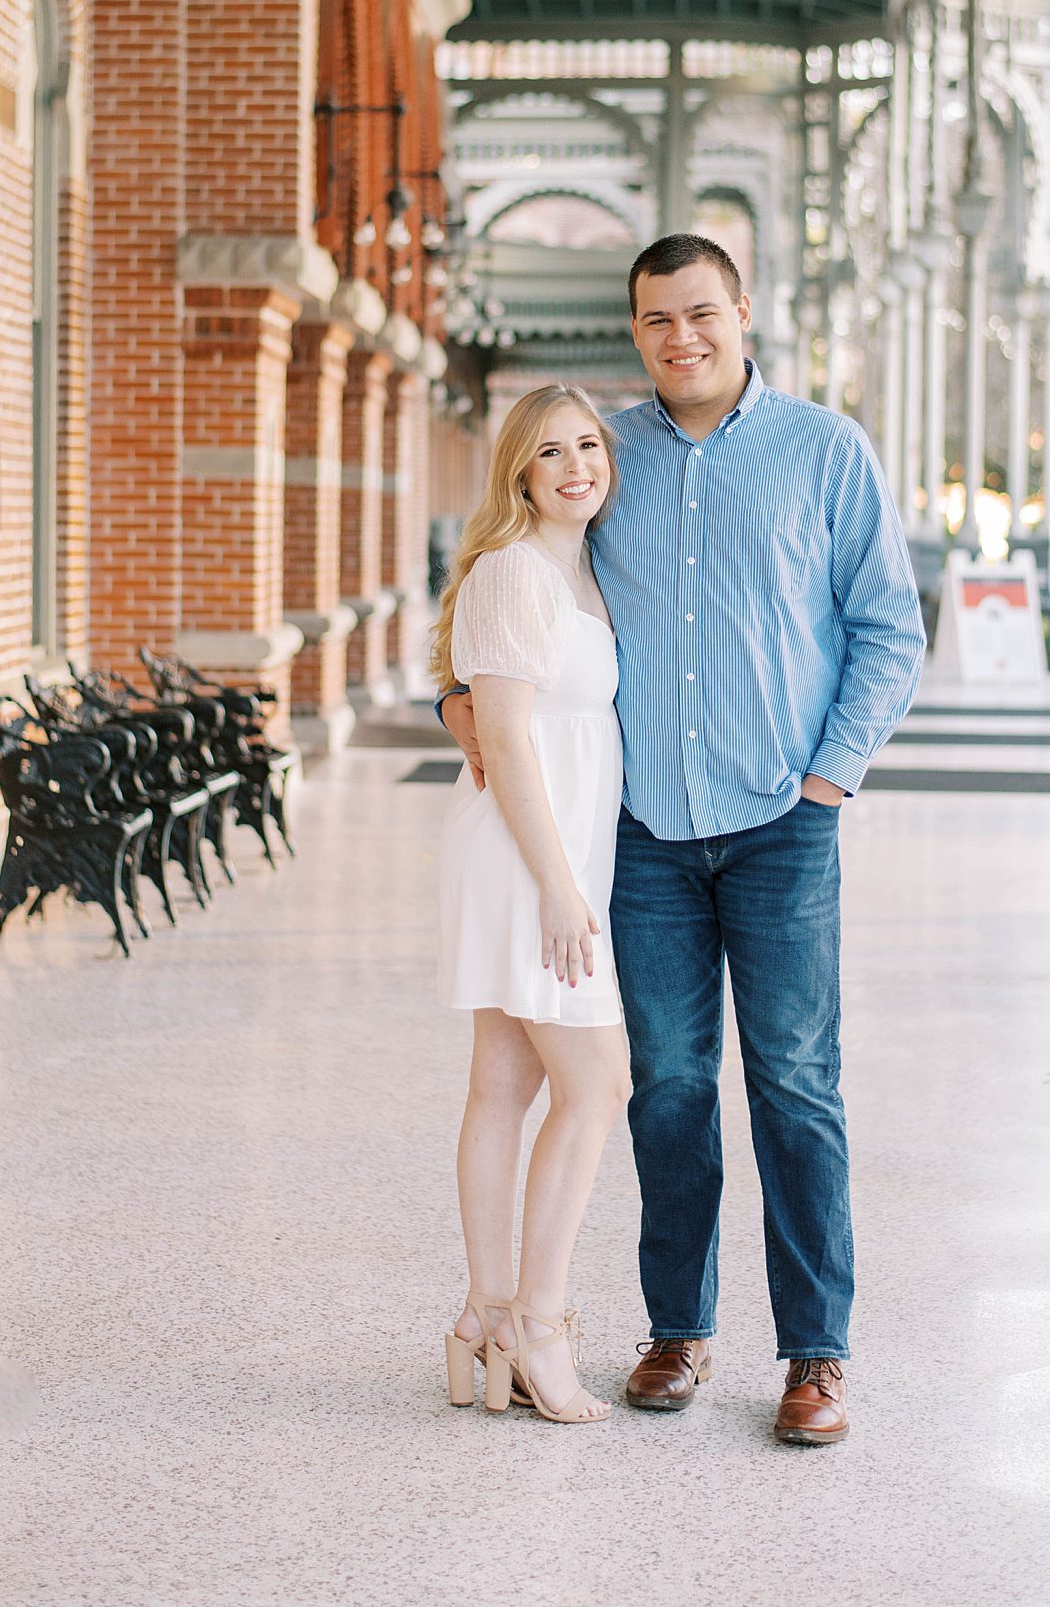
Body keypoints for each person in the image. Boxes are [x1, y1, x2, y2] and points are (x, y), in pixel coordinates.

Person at [442, 233, 925, 1445]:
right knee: (663, 1089)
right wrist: (462, 709)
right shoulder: (602, 457)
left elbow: (888, 627)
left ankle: (817, 1356)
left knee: (796, 1086)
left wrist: (829, 775)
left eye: (701, 313)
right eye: (657, 320)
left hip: (780, 824)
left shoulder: (825, 451)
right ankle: (677, 1327)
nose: (682, 338)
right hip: (643, 840)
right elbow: (509, 597)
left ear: (744, 312)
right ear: (638, 330)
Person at [432, 383, 631, 1426]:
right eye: (550, 450)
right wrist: (559, 886)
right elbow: (503, 736)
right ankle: (537, 1322)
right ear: (519, 469)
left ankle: (483, 1313)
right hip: (525, 857)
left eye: (590, 444)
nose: (575, 465)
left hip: (554, 852)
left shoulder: (579, 568)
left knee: (505, 1082)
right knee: (599, 1081)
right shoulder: (515, 570)